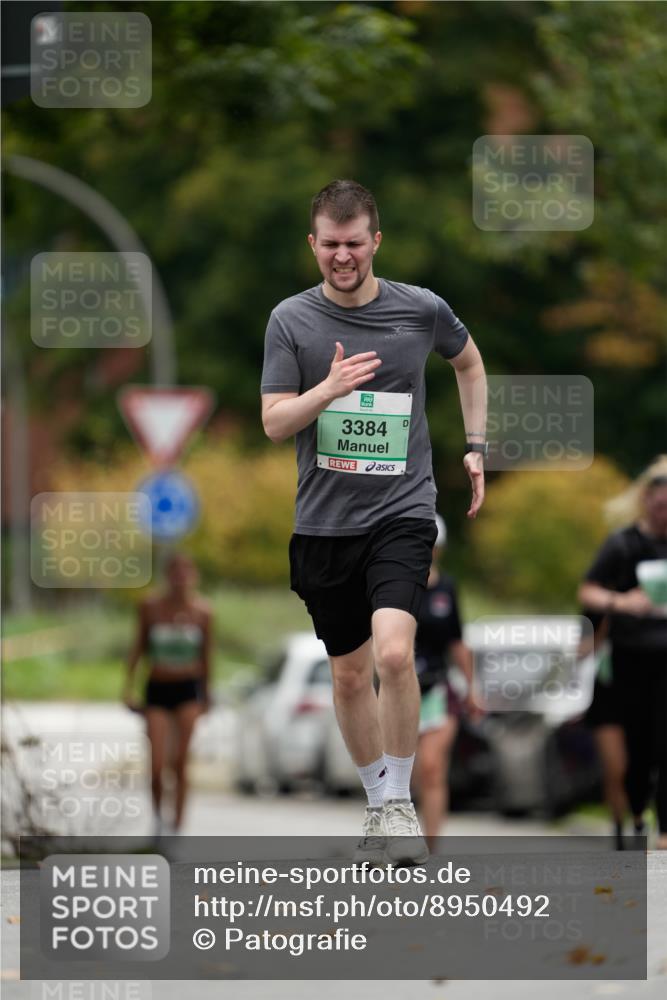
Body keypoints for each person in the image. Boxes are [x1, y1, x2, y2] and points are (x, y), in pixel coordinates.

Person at [261, 179, 487, 864]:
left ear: (374, 241)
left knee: (393, 653)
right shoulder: (290, 321)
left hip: (403, 509)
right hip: (325, 526)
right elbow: (274, 423)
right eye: (329, 244)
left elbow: (469, 364)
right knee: (349, 676)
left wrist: (475, 446)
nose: (341, 256)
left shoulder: (419, 310)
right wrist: (325, 391)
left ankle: (398, 803)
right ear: (313, 244)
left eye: (353, 244)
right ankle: (376, 801)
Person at [578, 457, 667, 849]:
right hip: (630, 661)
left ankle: (662, 830)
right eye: (661, 505)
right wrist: (624, 603)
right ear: (646, 501)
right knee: (635, 755)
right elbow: (588, 591)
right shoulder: (623, 544)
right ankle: (632, 816)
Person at [123, 552, 212, 836]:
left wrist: (207, 695)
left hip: (188, 689)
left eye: (186, 573)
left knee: (180, 762)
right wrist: (128, 687)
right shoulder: (150, 607)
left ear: (194, 577)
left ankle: (178, 827)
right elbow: (138, 647)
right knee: (158, 764)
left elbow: (207, 656)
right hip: (157, 689)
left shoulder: (203, 612)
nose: (180, 580)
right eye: (175, 573)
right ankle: (158, 820)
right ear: (167, 576)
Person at [412, 514, 480, 849]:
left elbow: (458, 641)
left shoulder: (447, 589)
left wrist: (472, 689)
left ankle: (431, 846)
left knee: (432, 767)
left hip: (437, 687)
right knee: (405, 773)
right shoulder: (393, 585)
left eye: (433, 545)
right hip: (399, 689)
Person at [578, 609, 628, 850]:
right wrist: (603, 631)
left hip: (650, 693)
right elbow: (580, 652)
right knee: (616, 768)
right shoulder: (599, 606)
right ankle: (620, 826)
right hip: (609, 695)